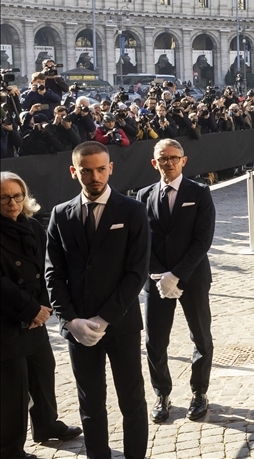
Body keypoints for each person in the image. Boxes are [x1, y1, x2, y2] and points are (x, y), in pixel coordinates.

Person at [45, 141, 150, 459]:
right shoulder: (61, 214)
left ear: (111, 168)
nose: (95, 176)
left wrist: (104, 318)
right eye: (87, 170)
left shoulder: (132, 211)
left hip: (121, 324)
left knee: (131, 399)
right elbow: (53, 274)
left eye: (101, 169)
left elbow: (136, 273)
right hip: (78, 328)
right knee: (89, 402)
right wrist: (70, 320)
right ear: (74, 171)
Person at [1, 172, 81, 459]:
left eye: (17, 195)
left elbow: (47, 269)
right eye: (5, 197)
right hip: (7, 322)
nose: (13, 202)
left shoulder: (33, 226)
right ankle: (10, 449)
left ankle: (46, 425)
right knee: (13, 389)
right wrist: (31, 309)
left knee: (44, 370)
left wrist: (44, 309)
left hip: (36, 316)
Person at [136, 139, 216, 425]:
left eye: (173, 157)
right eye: (162, 158)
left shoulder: (199, 192)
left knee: (201, 338)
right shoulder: (143, 195)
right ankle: (162, 393)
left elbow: (202, 240)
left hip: (192, 278)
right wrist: (160, 275)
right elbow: (141, 242)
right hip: (156, 281)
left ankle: (199, 392)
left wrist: (177, 275)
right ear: (153, 162)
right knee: (155, 341)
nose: (168, 162)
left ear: (184, 160)